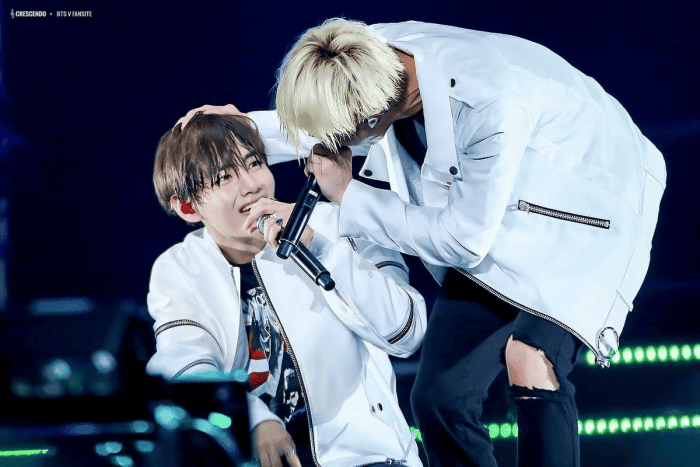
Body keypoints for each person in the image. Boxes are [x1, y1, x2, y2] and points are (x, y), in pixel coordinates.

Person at [181, 18, 667, 467]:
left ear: (371, 114)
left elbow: (461, 241)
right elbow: (332, 118)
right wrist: (245, 128)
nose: (326, 141)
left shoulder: (490, 102)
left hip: (592, 209)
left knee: (531, 359)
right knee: (439, 397)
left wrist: (349, 194)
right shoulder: (362, 54)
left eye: (339, 134)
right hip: (496, 212)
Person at [145, 112, 427, 467]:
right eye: (224, 177)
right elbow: (185, 361)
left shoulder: (339, 224)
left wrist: (318, 248)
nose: (252, 184)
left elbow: (406, 332)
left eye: (255, 163)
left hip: (367, 457)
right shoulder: (181, 267)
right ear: (188, 206)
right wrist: (255, 418)